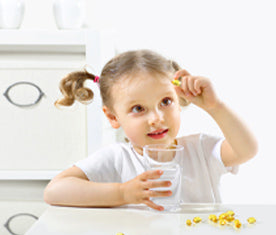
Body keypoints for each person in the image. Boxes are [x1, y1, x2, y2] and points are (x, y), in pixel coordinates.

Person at [44, 49, 258, 211]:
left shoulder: (201, 150)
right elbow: (54, 190)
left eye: (166, 101)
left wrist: (215, 107)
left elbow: (246, 151)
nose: (157, 118)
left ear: (179, 99)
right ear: (112, 117)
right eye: (138, 109)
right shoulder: (117, 159)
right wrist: (122, 193)